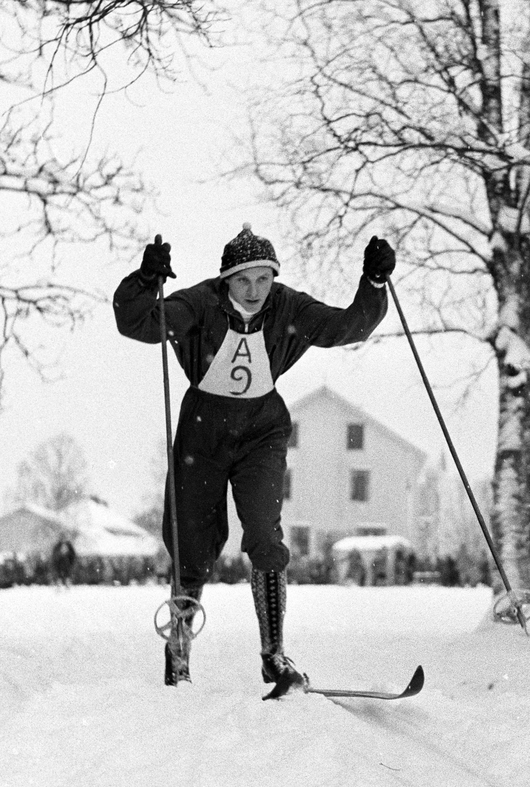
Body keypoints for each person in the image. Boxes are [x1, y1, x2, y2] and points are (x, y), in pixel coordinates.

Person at [114, 224, 395, 693]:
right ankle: (179, 646)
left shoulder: (288, 307)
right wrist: (145, 280)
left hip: (261, 430)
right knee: (192, 541)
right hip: (203, 432)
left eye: (263, 279)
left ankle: (274, 656)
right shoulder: (200, 304)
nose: (254, 291)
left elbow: (349, 325)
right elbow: (137, 322)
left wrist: (374, 284)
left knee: (265, 533)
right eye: (244, 280)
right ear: (226, 280)